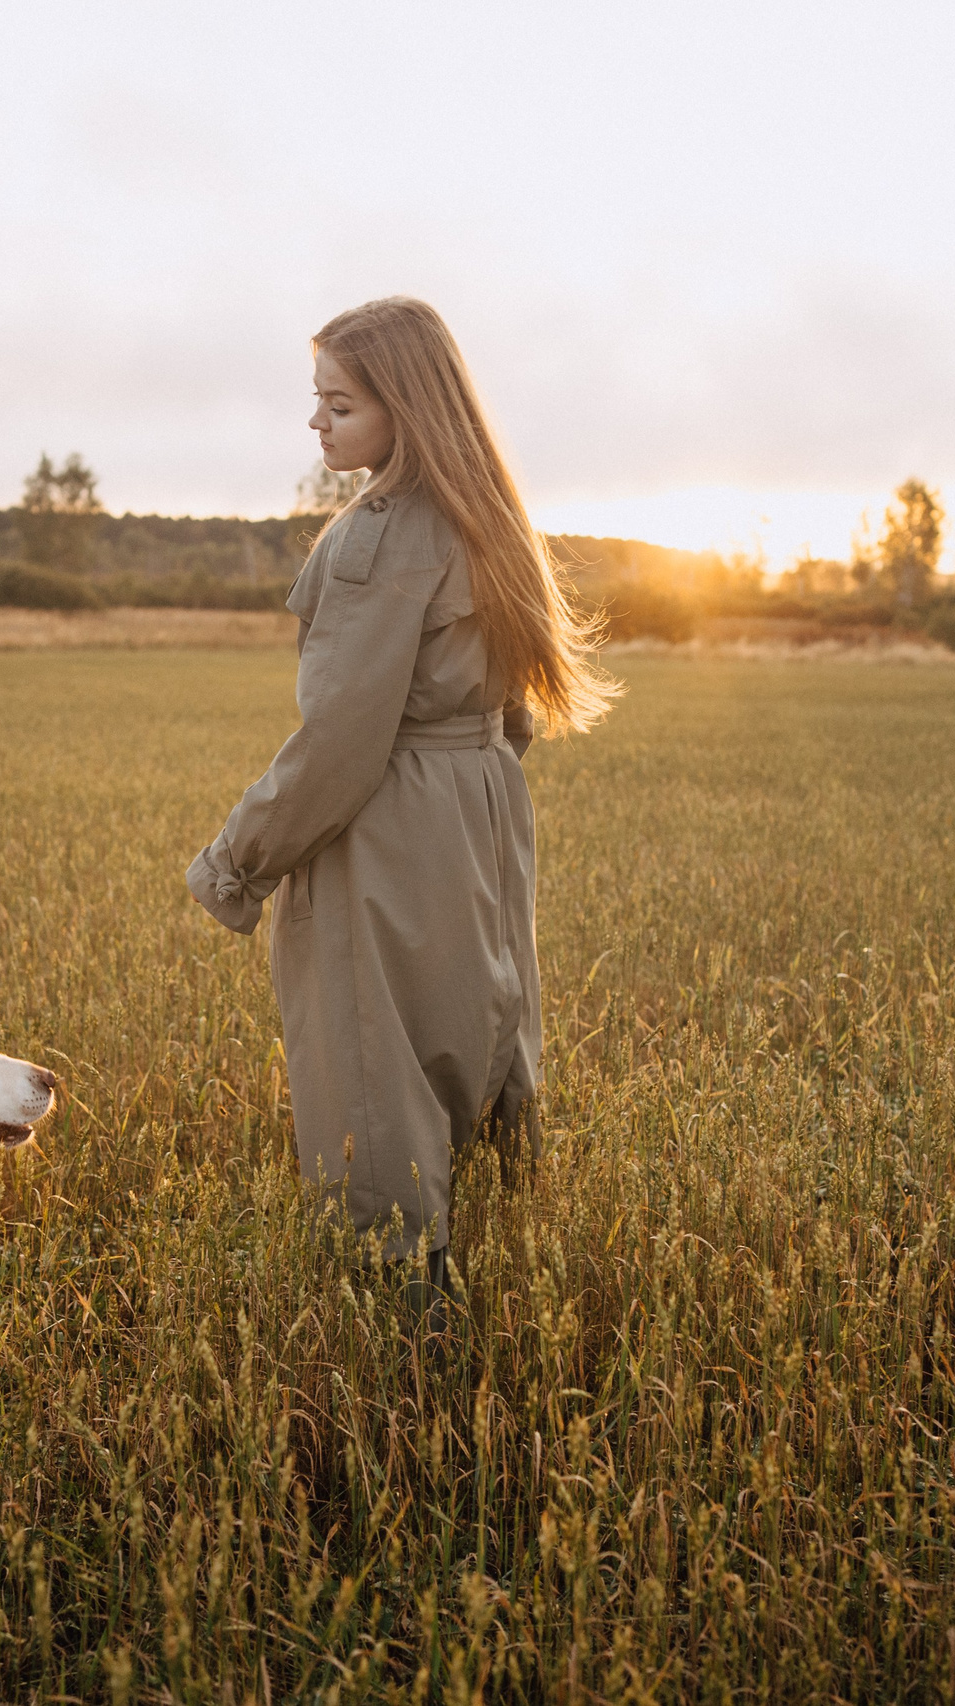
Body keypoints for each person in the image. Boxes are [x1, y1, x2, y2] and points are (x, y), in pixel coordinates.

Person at [186, 296, 615, 1330]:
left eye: (338, 403)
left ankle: (401, 1341)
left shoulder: (377, 538)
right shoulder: (489, 516)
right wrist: (461, 784)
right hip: (481, 809)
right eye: (316, 402)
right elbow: (507, 715)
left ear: (403, 409)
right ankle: (496, 1286)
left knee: (371, 1069)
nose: (316, 424)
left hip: (385, 823)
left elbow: (340, 742)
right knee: (476, 1026)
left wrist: (233, 861)